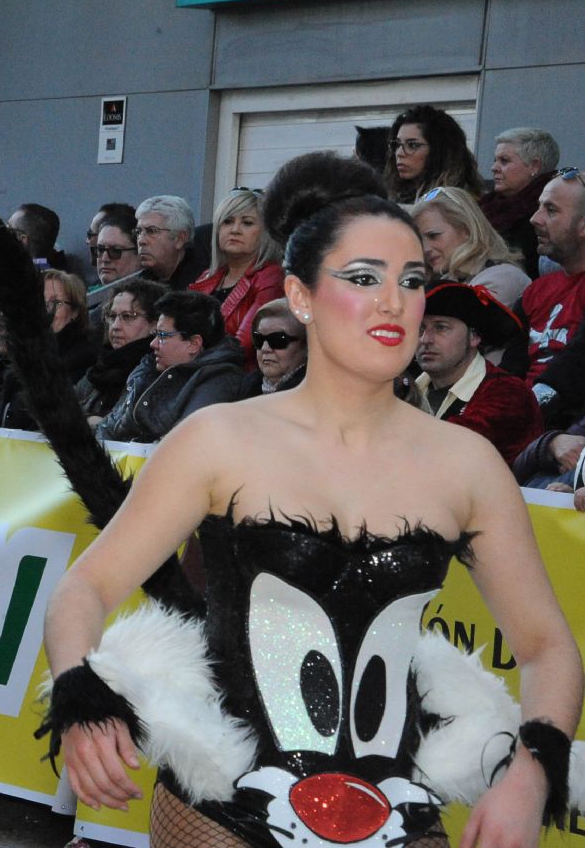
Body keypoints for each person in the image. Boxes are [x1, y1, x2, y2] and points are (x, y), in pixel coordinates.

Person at [30, 155, 581, 848]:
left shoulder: (465, 464)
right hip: (225, 805)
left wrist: (532, 774)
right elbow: (86, 587)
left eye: (412, 281)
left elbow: (546, 646)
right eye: (362, 278)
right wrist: (82, 697)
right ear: (301, 294)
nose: (393, 302)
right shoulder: (218, 440)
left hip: (401, 809)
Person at [412, 282, 540, 464]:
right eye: (420, 329)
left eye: (441, 327)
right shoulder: (404, 391)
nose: (425, 340)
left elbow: (445, 448)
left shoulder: (507, 393)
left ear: (474, 337)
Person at [95, 289, 243, 443]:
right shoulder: (149, 366)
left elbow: (184, 442)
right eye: (155, 335)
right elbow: (109, 426)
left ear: (193, 344)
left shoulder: (218, 379)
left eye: (163, 336)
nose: (153, 344)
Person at [189, 188, 284, 363]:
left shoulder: (271, 276)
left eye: (247, 223)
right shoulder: (207, 276)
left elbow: (241, 346)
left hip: (236, 378)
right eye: (227, 221)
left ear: (265, 232)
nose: (235, 230)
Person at [517, 166, 585, 386]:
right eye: (539, 207)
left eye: (551, 210)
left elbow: (574, 371)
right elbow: (510, 367)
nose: (535, 219)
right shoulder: (536, 291)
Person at [411, 186, 530, 305]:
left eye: (433, 236)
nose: (425, 249)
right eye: (419, 241)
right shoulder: (450, 278)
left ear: (467, 229)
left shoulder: (503, 279)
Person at [78, 277, 165, 426]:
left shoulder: (155, 369)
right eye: (112, 317)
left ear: (155, 323)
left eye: (128, 317)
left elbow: (122, 428)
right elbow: (58, 409)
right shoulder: (101, 365)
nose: (115, 326)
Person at [483, 127, 559, 277]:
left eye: (504, 161)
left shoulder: (547, 213)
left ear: (534, 166)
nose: (493, 168)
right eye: (495, 160)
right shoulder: (489, 205)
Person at [379, 103, 485, 202]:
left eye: (413, 145)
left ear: (439, 151)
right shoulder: (392, 196)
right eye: (397, 144)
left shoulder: (454, 203)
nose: (399, 153)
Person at [134, 195, 202, 289]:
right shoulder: (137, 285)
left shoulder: (201, 284)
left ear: (180, 239)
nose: (141, 240)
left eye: (152, 231)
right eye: (138, 232)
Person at [242, 297, 306, 397]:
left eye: (278, 339)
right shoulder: (246, 387)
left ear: (306, 344)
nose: (265, 348)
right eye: (258, 338)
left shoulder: (314, 396)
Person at [92, 209, 141, 288]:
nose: (104, 259)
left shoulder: (159, 297)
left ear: (139, 254)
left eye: (115, 251)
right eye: (100, 250)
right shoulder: (84, 297)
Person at [9, 202, 64, 269]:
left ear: (22, 240)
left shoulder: (15, 276)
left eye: (9, 229)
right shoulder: (53, 274)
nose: (3, 233)